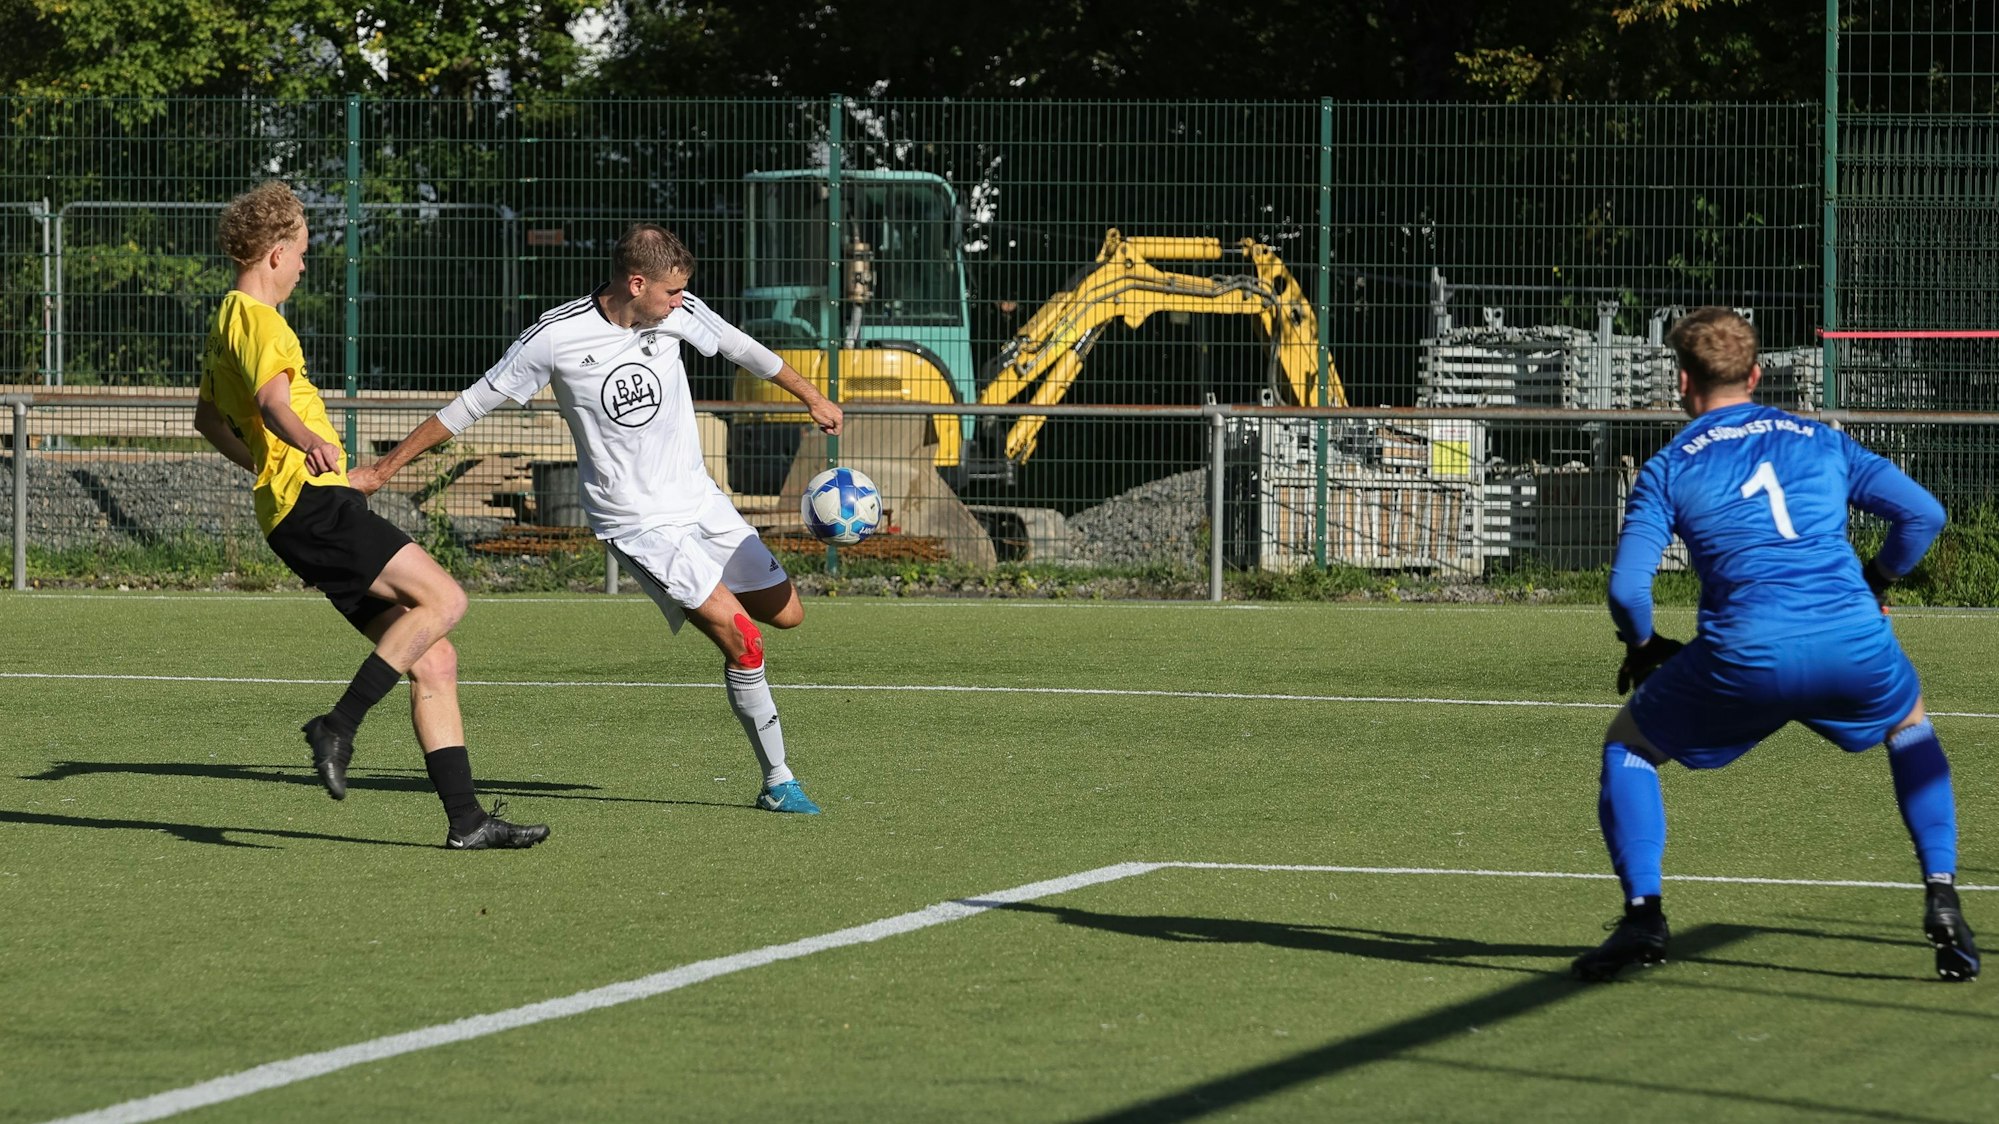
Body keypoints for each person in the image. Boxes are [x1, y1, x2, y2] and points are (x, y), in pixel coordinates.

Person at [350, 222, 843, 815]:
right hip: (638, 523)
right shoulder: (555, 338)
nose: (680, 303)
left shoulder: (677, 313)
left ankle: (774, 767)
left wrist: (812, 397)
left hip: (702, 502)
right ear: (637, 283)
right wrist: (383, 470)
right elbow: (471, 404)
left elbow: (746, 349)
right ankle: (779, 780)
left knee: (786, 614)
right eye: (670, 293)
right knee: (745, 641)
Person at [1573, 307, 1975, 982]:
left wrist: (1641, 646)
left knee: (1628, 748)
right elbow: (1923, 514)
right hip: (1851, 641)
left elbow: (1626, 591)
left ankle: (1643, 916)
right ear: (1756, 375)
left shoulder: (1669, 467)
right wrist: (1874, 579)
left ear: (1680, 381)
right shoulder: (1819, 440)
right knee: (1908, 725)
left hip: (1744, 655)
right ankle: (1940, 895)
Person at [191, 179, 548, 851]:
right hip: (316, 505)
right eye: (300, 252)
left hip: (297, 509)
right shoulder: (264, 322)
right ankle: (339, 725)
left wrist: (278, 469)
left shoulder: (224, 321)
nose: (302, 266)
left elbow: (208, 421)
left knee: (434, 658)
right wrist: (309, 446)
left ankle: (466, 821)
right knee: (445, 598)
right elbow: (271, 403)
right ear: (275, 252)